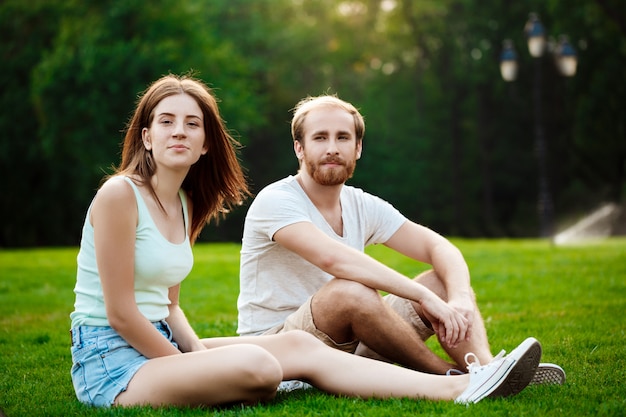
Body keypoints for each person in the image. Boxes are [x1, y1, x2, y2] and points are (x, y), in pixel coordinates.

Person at [69, 75, 542, 409]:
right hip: (111, 362)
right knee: (262, 362)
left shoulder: (185, 204)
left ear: (207, 143)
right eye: (167, 122)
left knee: (303, 347)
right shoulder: (118, 195)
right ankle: (461, 380)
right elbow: (120, 313)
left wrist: (193, 356)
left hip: (164, 340)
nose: (180, 132)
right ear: (146, 136)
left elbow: (169, 306)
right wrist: (184, 366)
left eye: (192, 124)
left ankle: (466, 385)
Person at [237, 94, 565, 386]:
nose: (332, 148)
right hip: (279, 351)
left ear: (358, 148)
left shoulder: (360, 203)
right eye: (320, 138)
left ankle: (487, 368)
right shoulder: (277, 200)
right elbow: (334, 260)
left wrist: (459, 297)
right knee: (350, 290)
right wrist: (423, 297)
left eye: (343, 137)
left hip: (347, 346)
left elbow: (438, 247)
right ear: (299, 147)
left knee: (441, 281)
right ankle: (450, 377)